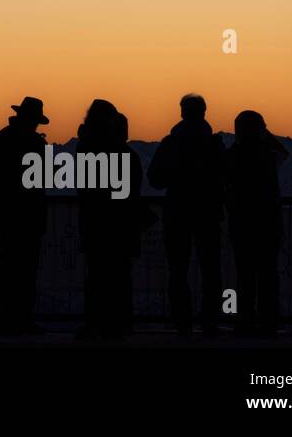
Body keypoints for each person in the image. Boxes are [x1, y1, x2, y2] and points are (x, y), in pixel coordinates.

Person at [147, 93, 225, 336]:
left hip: (177, 212)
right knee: (211, 270)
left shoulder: (171, 144)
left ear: (182, 113)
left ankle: (182, 321)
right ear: (204, 112)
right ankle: (210, 321)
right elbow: (226, 177)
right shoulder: (214, 145)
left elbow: (155, 179)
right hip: (208, 213)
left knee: (178, 271)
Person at [0, 96, 48, 335]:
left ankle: (4, 319)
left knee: (7, 267)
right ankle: (23, 318)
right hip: (28, 215)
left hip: (5, 214)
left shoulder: (0, 139)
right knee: (26, 269)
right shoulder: (33, 143)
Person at [76, 100, 146, 340]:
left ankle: (95, 323)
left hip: (95, 223)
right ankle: (119, 323)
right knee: (119, 276)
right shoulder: (122, 153)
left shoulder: (86, 149)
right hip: (120, 225)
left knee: (96, 275)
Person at [226, 110, 286, 337]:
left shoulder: (233, 154)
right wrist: (265, 134)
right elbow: (284, 153)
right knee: (268, 275)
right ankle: (269, 322)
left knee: (245, 275)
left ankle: (245, 321)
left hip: (241, 222)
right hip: (268, 222)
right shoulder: (267, 154)